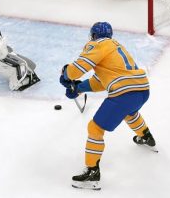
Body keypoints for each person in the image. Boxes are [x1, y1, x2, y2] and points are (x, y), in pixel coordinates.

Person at [59, 22, 156, 190]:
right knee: (129, 113)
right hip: (142, 89)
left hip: (124, 93)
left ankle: (92, 173)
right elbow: (101, 82)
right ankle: (146, 136)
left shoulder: (98, 44)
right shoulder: (116, 48)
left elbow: (77, 69)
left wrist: (66, 73)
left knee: (95, 128)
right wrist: (79, 88)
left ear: (93, 35)